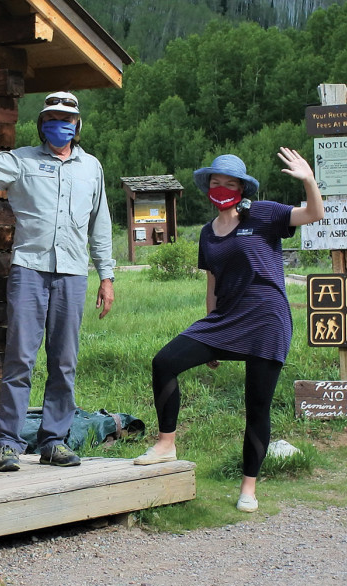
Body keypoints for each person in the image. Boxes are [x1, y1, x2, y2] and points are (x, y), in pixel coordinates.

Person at [137, 150, 324, 513]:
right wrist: (210, 336)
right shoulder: (208, 233)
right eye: (216, 183)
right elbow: (213, 284)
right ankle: (166, 443)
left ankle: (248, 488)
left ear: (242, 188)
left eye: (230, 184)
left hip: (267, 320)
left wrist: (307, 179)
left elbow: (314, 214)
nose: (221, 188)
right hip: (225, 320)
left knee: (256, 406)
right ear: (208, 188)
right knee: (164, 362)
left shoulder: (264, 214)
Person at [0, 90, 115, 472]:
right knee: (20, 359)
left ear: (77, 126)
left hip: (74, 275)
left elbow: (101, 225)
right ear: (42, 124)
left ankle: (53, 443)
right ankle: (9, 444)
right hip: (29, 270)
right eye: (52, 118)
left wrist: (106, 276)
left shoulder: (92, 167)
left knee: (64, 361)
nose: (60, 124)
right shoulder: (21, 161)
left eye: (67, 119)